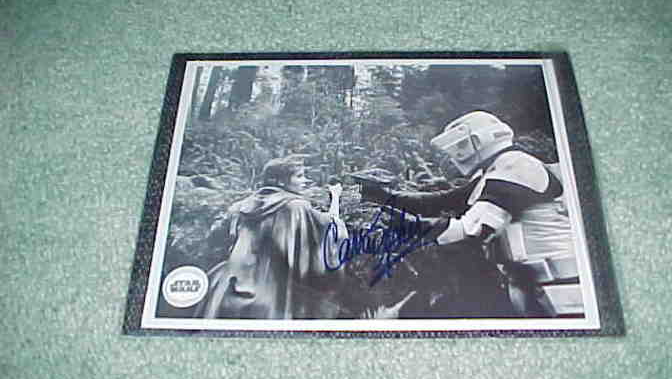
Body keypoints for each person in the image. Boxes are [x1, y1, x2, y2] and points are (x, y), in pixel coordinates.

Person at [362, 111, 583, 318]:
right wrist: (384, 197)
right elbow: (442, 201)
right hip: (534, 282)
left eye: (460, 145)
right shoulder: (498, 168)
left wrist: (403, 225)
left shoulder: (517, 166)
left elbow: (470, 231)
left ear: (479, 140)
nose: (455, 153)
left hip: (560, 285)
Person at [196, 155, 348, 319]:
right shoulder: (296, 207)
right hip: (272, 295)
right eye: (299, 176)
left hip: (227, 289)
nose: (305, 181)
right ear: (281, 181)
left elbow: (215, 239)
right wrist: (335, 197)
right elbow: (331, 229)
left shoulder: (240, 206)